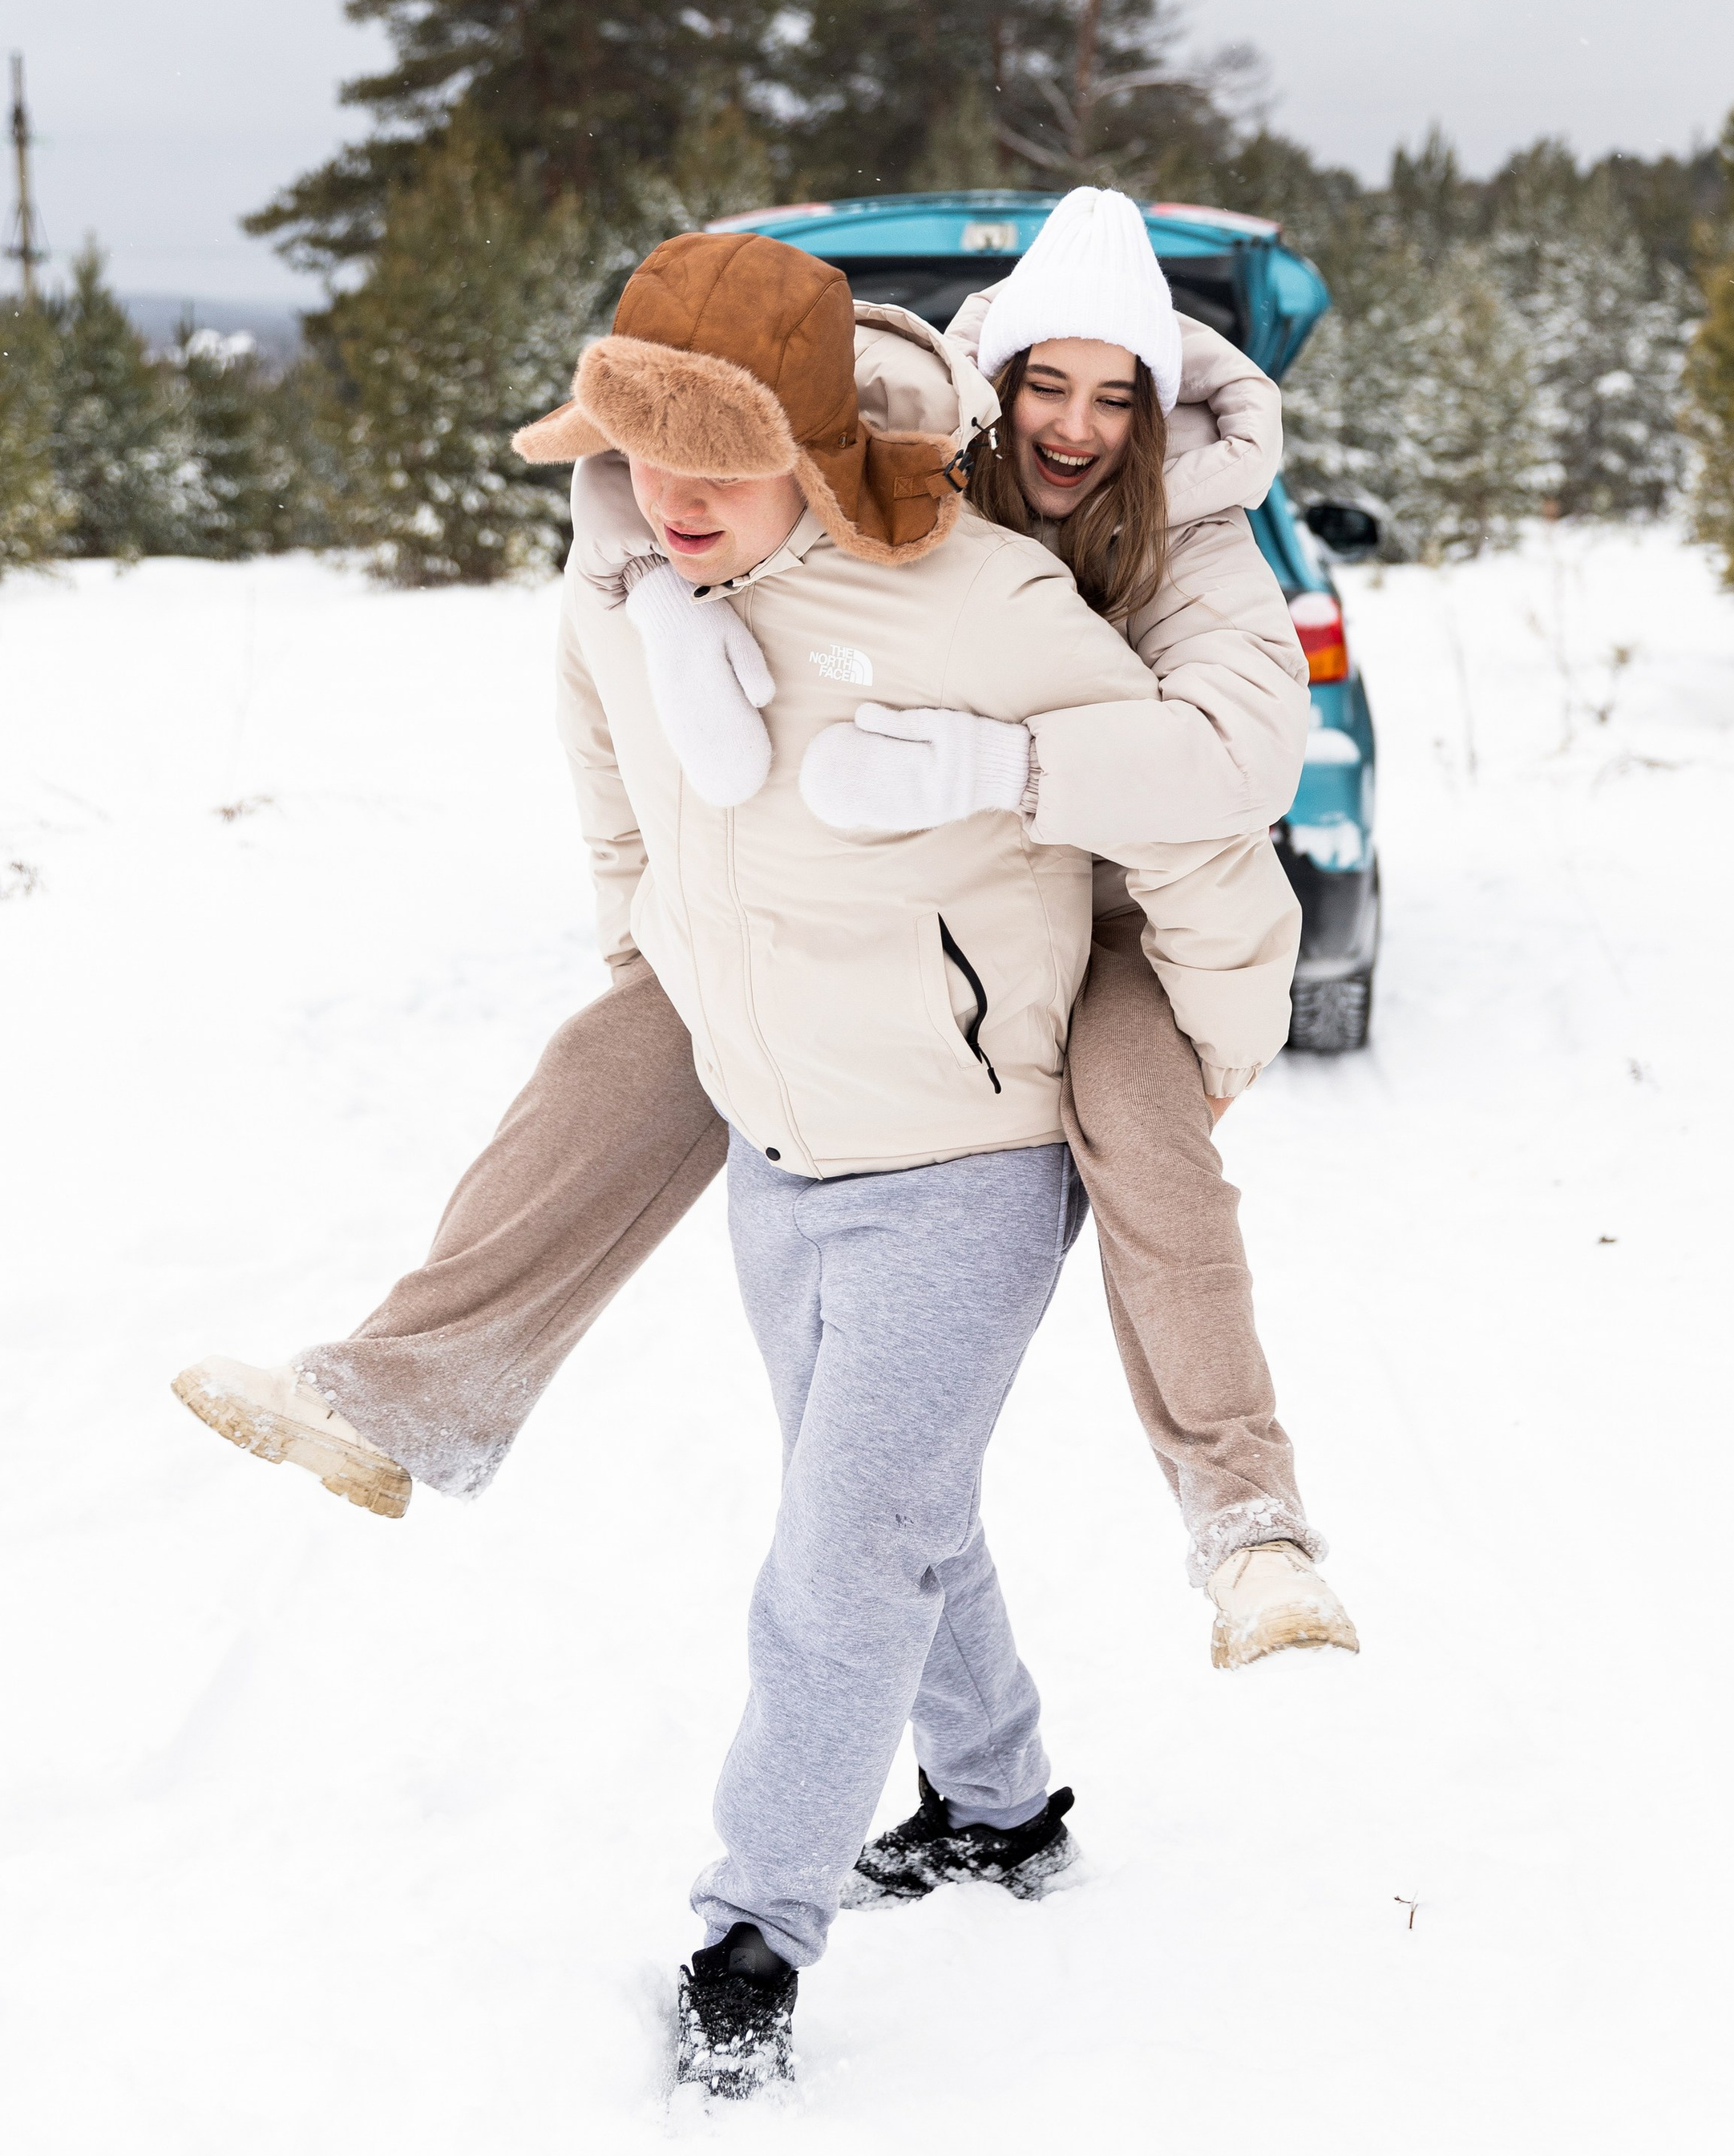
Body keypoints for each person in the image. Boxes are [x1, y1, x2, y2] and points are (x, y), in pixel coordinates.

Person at [197, 226, 1304, 2099]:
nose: (679, 497)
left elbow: (1210, 809)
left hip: (974, 1123)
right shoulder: (641, 562)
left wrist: (1201, 1031)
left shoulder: (1039, 589)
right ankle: (999, 1801)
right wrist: (659, 936)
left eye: (1108, 393)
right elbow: (610, 761)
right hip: (788, 1128)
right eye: (643, 455)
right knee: (893, 1499)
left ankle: (753, 1926)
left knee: (842, 1543)